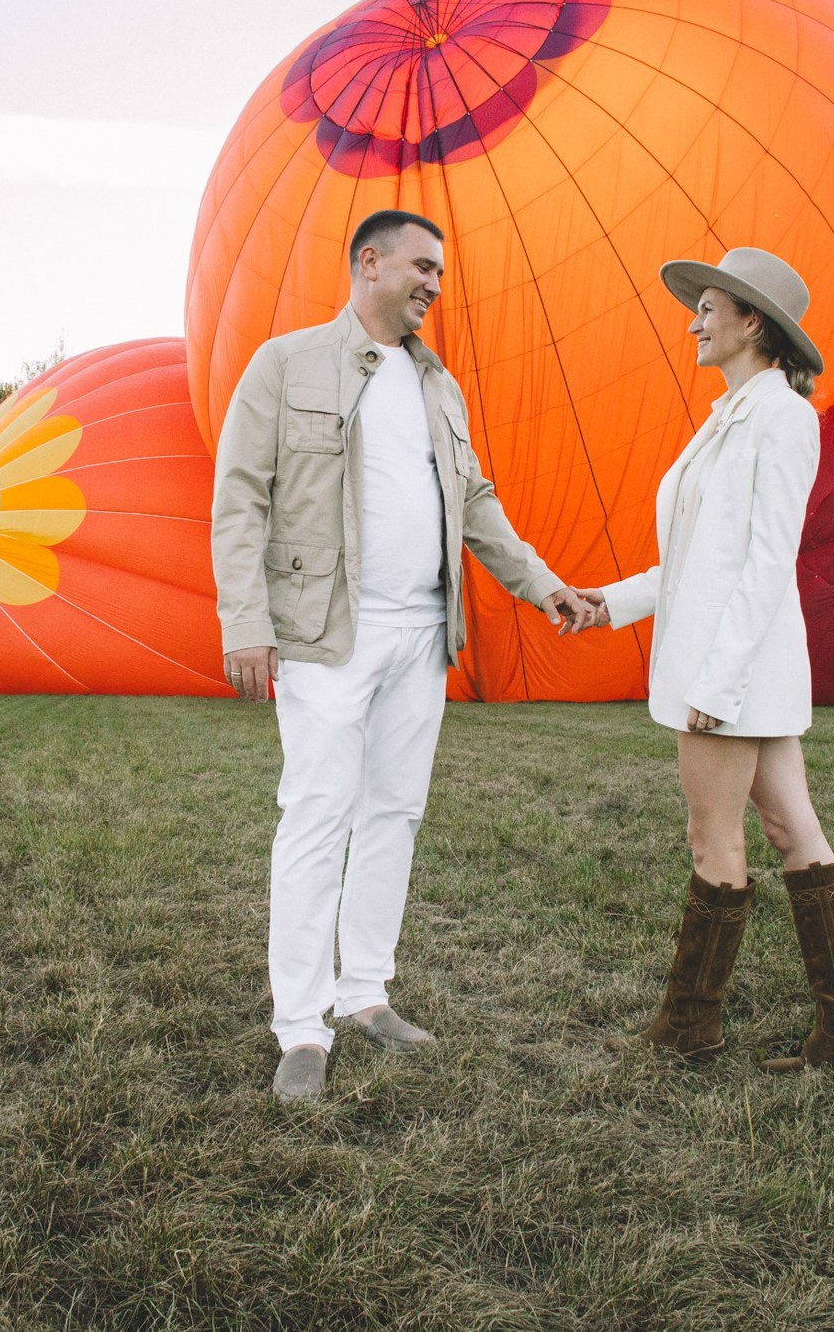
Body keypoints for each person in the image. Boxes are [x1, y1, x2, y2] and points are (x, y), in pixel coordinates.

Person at [212, 208, 598, 1105]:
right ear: (369, 262)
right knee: (317, 813)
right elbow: (240, 497)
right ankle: (301, 1027)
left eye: (440, 271)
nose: (434, 283)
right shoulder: (285, 365)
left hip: (424, 632)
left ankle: (365, 994)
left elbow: (478, 503)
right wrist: (244, 618)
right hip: (324, 634)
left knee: (393, 812)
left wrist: (542, 586)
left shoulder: (440, 385)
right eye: (422, 266)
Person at [573, 247, 834, 1075]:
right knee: (791, 828)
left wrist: (716, 682)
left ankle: (689, 1026)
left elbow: (766, 559)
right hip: (744, 669)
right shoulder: (729, 415)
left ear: (753, 321)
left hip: (731, 671)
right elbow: (697, 558)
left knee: (714, 841)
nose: (694, 320)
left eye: (708, 307)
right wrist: (612, 601)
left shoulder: (782, 418)